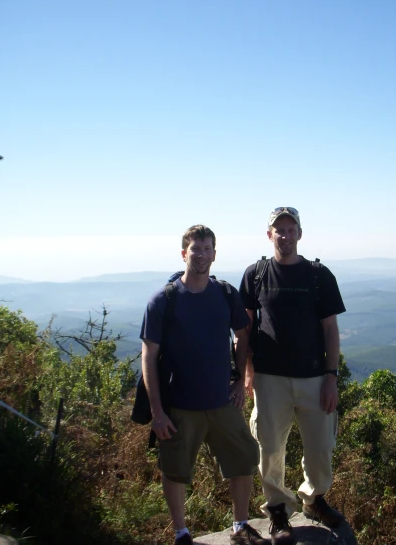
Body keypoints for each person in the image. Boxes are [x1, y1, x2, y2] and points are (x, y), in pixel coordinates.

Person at [141, 225, 269, 545]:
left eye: (206, 248)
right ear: (184, 254)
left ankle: (240, 524)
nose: (201, 254)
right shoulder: (164, 299)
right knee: (175, 470)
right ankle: (181, 533)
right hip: (181, 405)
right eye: (194, 249)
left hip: (222, 400)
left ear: (214, 254)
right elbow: (148, 356)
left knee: (243, 459)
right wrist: (157, 411)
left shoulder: (225, 294)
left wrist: (240, 380)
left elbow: (243, 335)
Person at [239, 208, 347, 545]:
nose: (284, 235)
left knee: (320, 447)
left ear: (300, 234)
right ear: (268, 235)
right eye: (278, 230)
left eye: (290, 229)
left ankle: (313, 500)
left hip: (314, 377)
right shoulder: (255, 274)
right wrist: (245, 369)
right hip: (269, 378)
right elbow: (245, 328)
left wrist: (331, 376)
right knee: (269, 447)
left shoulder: (319, 275)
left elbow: (330, 329)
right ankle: (278, 510)